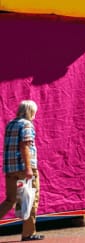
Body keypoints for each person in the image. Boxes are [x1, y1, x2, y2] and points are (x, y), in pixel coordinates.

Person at [0, 100, 41, 241]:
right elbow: (24, 146)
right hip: (25, 168)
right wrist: (29, 168)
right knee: (30, 199)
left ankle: (28, 232)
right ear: (31, 111)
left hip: (10, 169)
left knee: (10, 200)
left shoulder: (10, 124)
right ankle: (28, 233)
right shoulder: (27, 125)